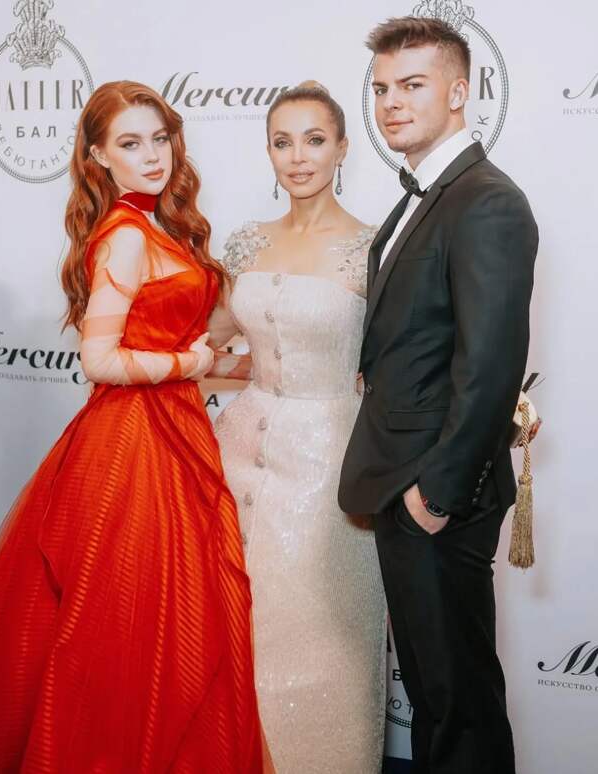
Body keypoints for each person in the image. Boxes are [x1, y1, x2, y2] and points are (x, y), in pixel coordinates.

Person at [0, 81, 262, 774]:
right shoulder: (126, 237)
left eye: (159, 139)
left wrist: (251, 364)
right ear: (99, 157)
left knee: (164, 620)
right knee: (131, 622)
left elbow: (184, 345)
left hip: (173, 429)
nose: (153, 155)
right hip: (132, 448)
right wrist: (192, 362)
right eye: (131, 144)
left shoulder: (159, 226)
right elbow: (99, 360)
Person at [340, 17, 539, 774]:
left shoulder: (486, 201)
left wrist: (437, 496)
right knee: (434, 697)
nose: (391, 103)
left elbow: (490, 365)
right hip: (404, 480)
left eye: (412, 85)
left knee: (460, 706)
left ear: (459, 93)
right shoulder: (422, 197)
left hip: (438, 493)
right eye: (381, 88)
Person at [207, 82, 387, 773]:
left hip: (331, 469)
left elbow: (396, 364)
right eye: (283, 142)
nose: (299, 156)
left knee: (320, 632)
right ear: (268, 152)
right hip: (236, 460)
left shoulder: (373, 248)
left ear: (343, 148)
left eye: (314, 140)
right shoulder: (246, 242)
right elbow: (213, 345)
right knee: (235, 627)